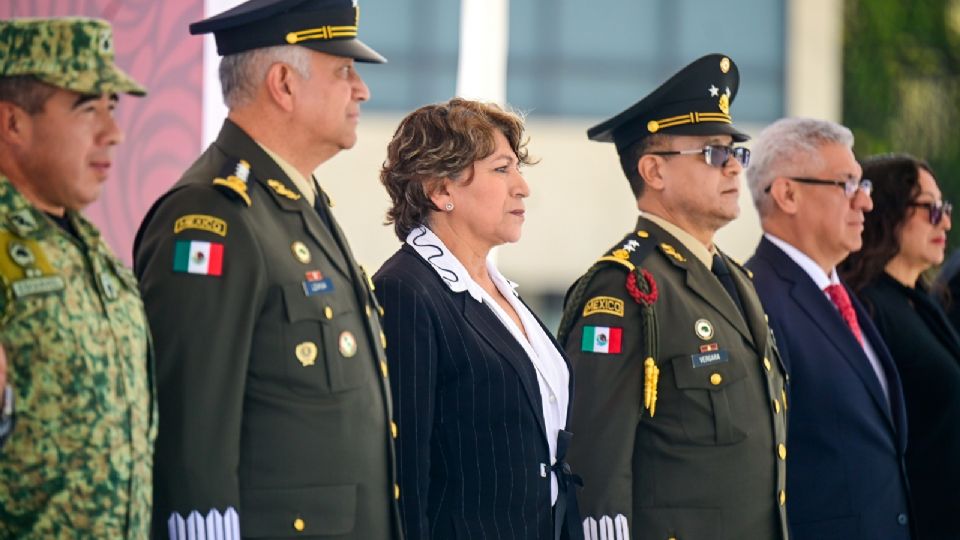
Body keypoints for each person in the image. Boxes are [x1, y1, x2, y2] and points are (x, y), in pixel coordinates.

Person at [133, 1, 401, 538]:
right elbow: (193, 428)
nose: (361, 90)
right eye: (343, 71)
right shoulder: (211, 215)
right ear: (283, 83)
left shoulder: (297, 206)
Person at [558, 54, 788, 540]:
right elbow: (596, 462)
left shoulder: (732, 277)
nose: (732, 169)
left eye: (735, 153)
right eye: (712, 153)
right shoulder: (624, 287)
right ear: (654, 171)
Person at [374, 98, 581, 540]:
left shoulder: (497, 287)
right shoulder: (407, 289)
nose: (523, 186)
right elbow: (405, 469)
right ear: (440, 190)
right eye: (502, 169)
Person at [0, 17, 155, 538]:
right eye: (87, 108)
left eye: (112, 107)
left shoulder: (86, 247)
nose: (113, 131)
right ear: (13, 123)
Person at [744, 118, 912, 540]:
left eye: (865, 187)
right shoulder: (755, 299)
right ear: (787, 194)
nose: (865, 204)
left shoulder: (841, 295)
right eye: (847, 185)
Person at [838, 153, 960, 540]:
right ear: (887, 211)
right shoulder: (867, 305)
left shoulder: (921, 299)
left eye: (944, 207)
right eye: (929, 208)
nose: (945, 220)